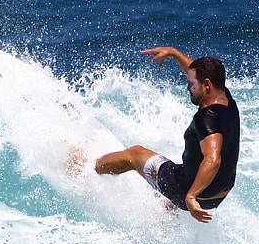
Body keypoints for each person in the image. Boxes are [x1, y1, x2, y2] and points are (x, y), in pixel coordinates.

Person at [94, 47, 239, 223]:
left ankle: (90, 169)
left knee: (135, 154)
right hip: (218, 194)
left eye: (191, 84)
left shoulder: (206, 119)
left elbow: (213, 159)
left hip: (191, 194)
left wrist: (191, 196)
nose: (188, 88)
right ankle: (162, 224)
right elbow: (196, 73)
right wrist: (174, 53)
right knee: (176, 182)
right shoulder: (227, 100)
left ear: (207, 85)